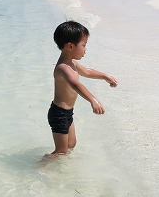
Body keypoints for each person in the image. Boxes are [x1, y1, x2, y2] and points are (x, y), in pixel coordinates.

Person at [47, 21, 118, 156]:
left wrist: (105, 76)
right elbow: (75, 84)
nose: (85, 49)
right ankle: (39, 166)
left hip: (67, 113)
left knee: (71, 145)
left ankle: (60, 170)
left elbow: (87, 72)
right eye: (84, 45)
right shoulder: (63, 68)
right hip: (59, 114)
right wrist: (93, 99)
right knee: (61, 151)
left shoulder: (72, 63)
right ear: (70, 46)